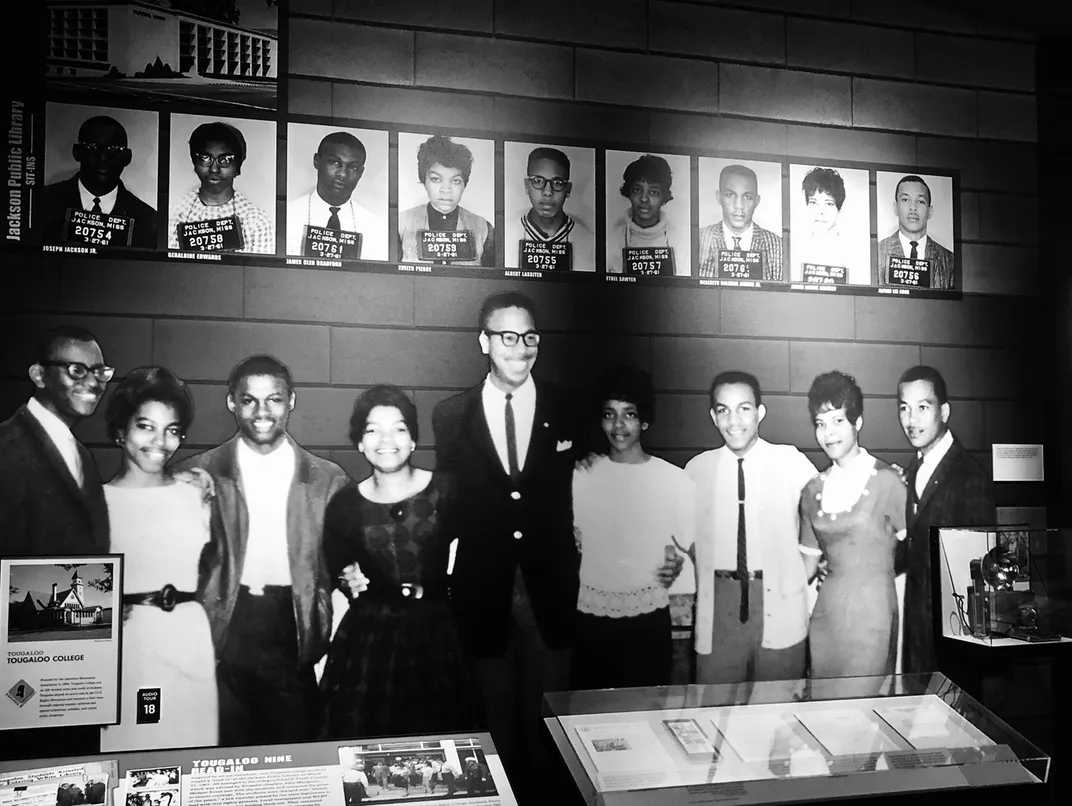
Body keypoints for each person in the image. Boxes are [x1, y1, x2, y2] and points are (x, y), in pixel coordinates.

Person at [176, 355, 350, 744]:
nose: (262, 412)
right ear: (231, 402)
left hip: (291, 623)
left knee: (294, 751)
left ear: (291, 400)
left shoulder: (327, 480)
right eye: (250, 400)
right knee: (223, 752)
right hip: (220, 624)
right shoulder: (197, 475)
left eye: (273, 399)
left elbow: (347, 563)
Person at [320, 385, 478, 738]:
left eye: (399, 428)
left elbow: (475, 554)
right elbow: (337, 567)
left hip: (438, 638)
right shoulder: (344, 505)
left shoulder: (449, 491)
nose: (386, 439)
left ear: (413, 440)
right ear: (360, 442)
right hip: (371, 644)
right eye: (372, 429)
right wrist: (347, 579)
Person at [99, 367, 219, 752]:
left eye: (172, 430)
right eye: (146, 426)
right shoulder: (97, 502)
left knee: (193, 753)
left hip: (190, 639)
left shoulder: (196, 492)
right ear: (121, 430)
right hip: (130, 648)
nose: (159, 441)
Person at [686, 371, 818, 684]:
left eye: (744, 408)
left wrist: (806, 566)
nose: (734, 421)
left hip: (779, 604)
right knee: (716, 716)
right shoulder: (696, 470)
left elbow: (826, 507)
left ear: (760, 412)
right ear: (713, 416)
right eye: (723, 410)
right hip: (719, 609)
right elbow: (681, 539)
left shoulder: (791, 461)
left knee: (778, 717)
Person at [570, 366, 693, 689]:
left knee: (645, 715)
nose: (619, 425)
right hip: (591, 618)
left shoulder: (673, 480)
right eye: (610, 414)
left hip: (647, 619)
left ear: (645, 421)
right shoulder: (581, 476)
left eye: (630, 415)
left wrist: (677, 563)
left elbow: (688, 548)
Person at [798, 372, 907, 693]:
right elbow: (804, 567)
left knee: (862, 719)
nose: (828, 433)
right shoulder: (811, 491)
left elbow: (914, 557)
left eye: (837, 421)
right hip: (826, 619)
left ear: (857, 422)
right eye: (821, 423)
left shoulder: (889, 481)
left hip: (873, 619)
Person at [896, 366, 995, 674]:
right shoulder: (913, 470)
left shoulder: (969, 477)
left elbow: (979, 576)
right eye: (904, 408)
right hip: (917, 640)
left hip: (954, 649)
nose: (911, 421)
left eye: (922, 408)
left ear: (945, 411)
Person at [0, 326, 111, 558]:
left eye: (100, 372)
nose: (93, 382)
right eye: (77, 370)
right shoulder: (6, 447)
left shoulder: (80, 453)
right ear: (39, 375)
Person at [41, 115, 158, 249]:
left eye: (114, 149)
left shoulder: (148, 221)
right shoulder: (42, 202)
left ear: (127, 157)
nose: (103, 157)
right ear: (77, 152)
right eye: (93, 147)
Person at [168, 121, 273, 254]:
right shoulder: (174, 212)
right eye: (205, 158)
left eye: (224, 160)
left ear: (237, 166)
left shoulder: (256, 221)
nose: (214, 169)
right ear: (195, 163)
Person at [286, 131, 388, 260]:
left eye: (353, 168)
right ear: (317, 161)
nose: (343, 174)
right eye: (334, 162)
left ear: (361, 173)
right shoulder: (289, 216)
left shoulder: (374, 228)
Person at [398, 134, 494, 266]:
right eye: (436, 179)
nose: (446, 189)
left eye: (455, 181)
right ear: (423, 180)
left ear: (464, 183)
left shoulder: (484, 228)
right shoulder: (401, 223)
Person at [514, 146, 594, 270]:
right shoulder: (508, 233)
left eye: (557, 183)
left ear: (568, 189)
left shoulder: (590, 243)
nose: (547, 192)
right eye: (538, 181)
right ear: (527, 186)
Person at [698, 164, 782, 280]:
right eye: (730, 195)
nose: (739, 206)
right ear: (719, 197)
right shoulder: (699, 239)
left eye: (747, 197)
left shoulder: (777, 246)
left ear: (757, 201)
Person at [606, 154, 682, 274]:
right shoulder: (610, 240)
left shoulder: (681, 241)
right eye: (637, 190)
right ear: (628, 192)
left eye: (653, 192)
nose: (644, 199)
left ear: (664, 196)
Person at [878, 175, 955, 289]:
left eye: (920, 201)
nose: (913, 207)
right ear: (895, 207)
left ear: (930, 211)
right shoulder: (877, 252)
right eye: (905, 199)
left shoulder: (949, 260)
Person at [792, 167, 853, 280]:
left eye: (829, 204)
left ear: (839, 209)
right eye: (814, 202)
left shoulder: (850, 251)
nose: (820, 211)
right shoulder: (795, 248)